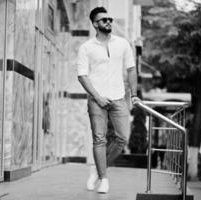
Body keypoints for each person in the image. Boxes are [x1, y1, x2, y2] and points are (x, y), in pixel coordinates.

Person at [77, 7, 141, 193]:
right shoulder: (86, 47)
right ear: (95, 23)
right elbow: (82, 75)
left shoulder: (123, 44)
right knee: (99, 139)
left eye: (110, 19)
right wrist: (97, 96)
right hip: (96, 99)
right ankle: (104, 178)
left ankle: (96, 170)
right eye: (104, 20)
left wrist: (134, 94)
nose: (108, 22)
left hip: (119, 97)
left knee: (122, 138)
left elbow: (131, 70)